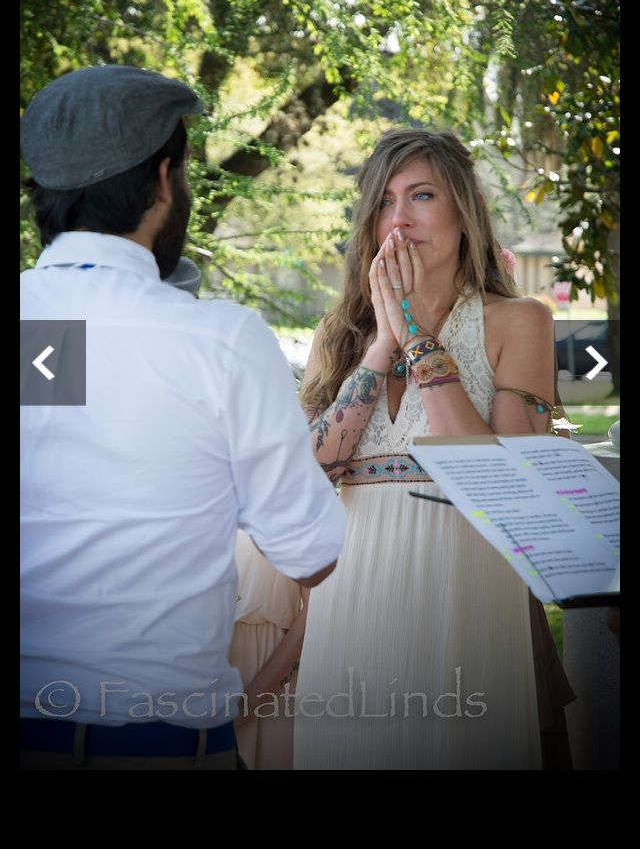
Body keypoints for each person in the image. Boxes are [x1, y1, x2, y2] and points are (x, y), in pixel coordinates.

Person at [20, 64, 346, 771]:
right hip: (161, 743)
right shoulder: (220, 340)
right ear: (165, 179)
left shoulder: (33, 326)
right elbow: (311, 554)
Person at [294, 128, 574, 771]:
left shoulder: (518, 322)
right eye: (384, 202)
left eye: (421, 195)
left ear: (463, 213)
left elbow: (490, 478)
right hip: (352, 600)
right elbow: (312, 477)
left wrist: (417, 333)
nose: (400, 219)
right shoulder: (338, 337)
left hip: (463, 593)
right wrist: (383, 339)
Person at [230, 532, 308, 770]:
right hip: (199, 675)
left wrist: (253, 697)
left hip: (268, 667)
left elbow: (314, 612)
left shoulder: (288, 502)